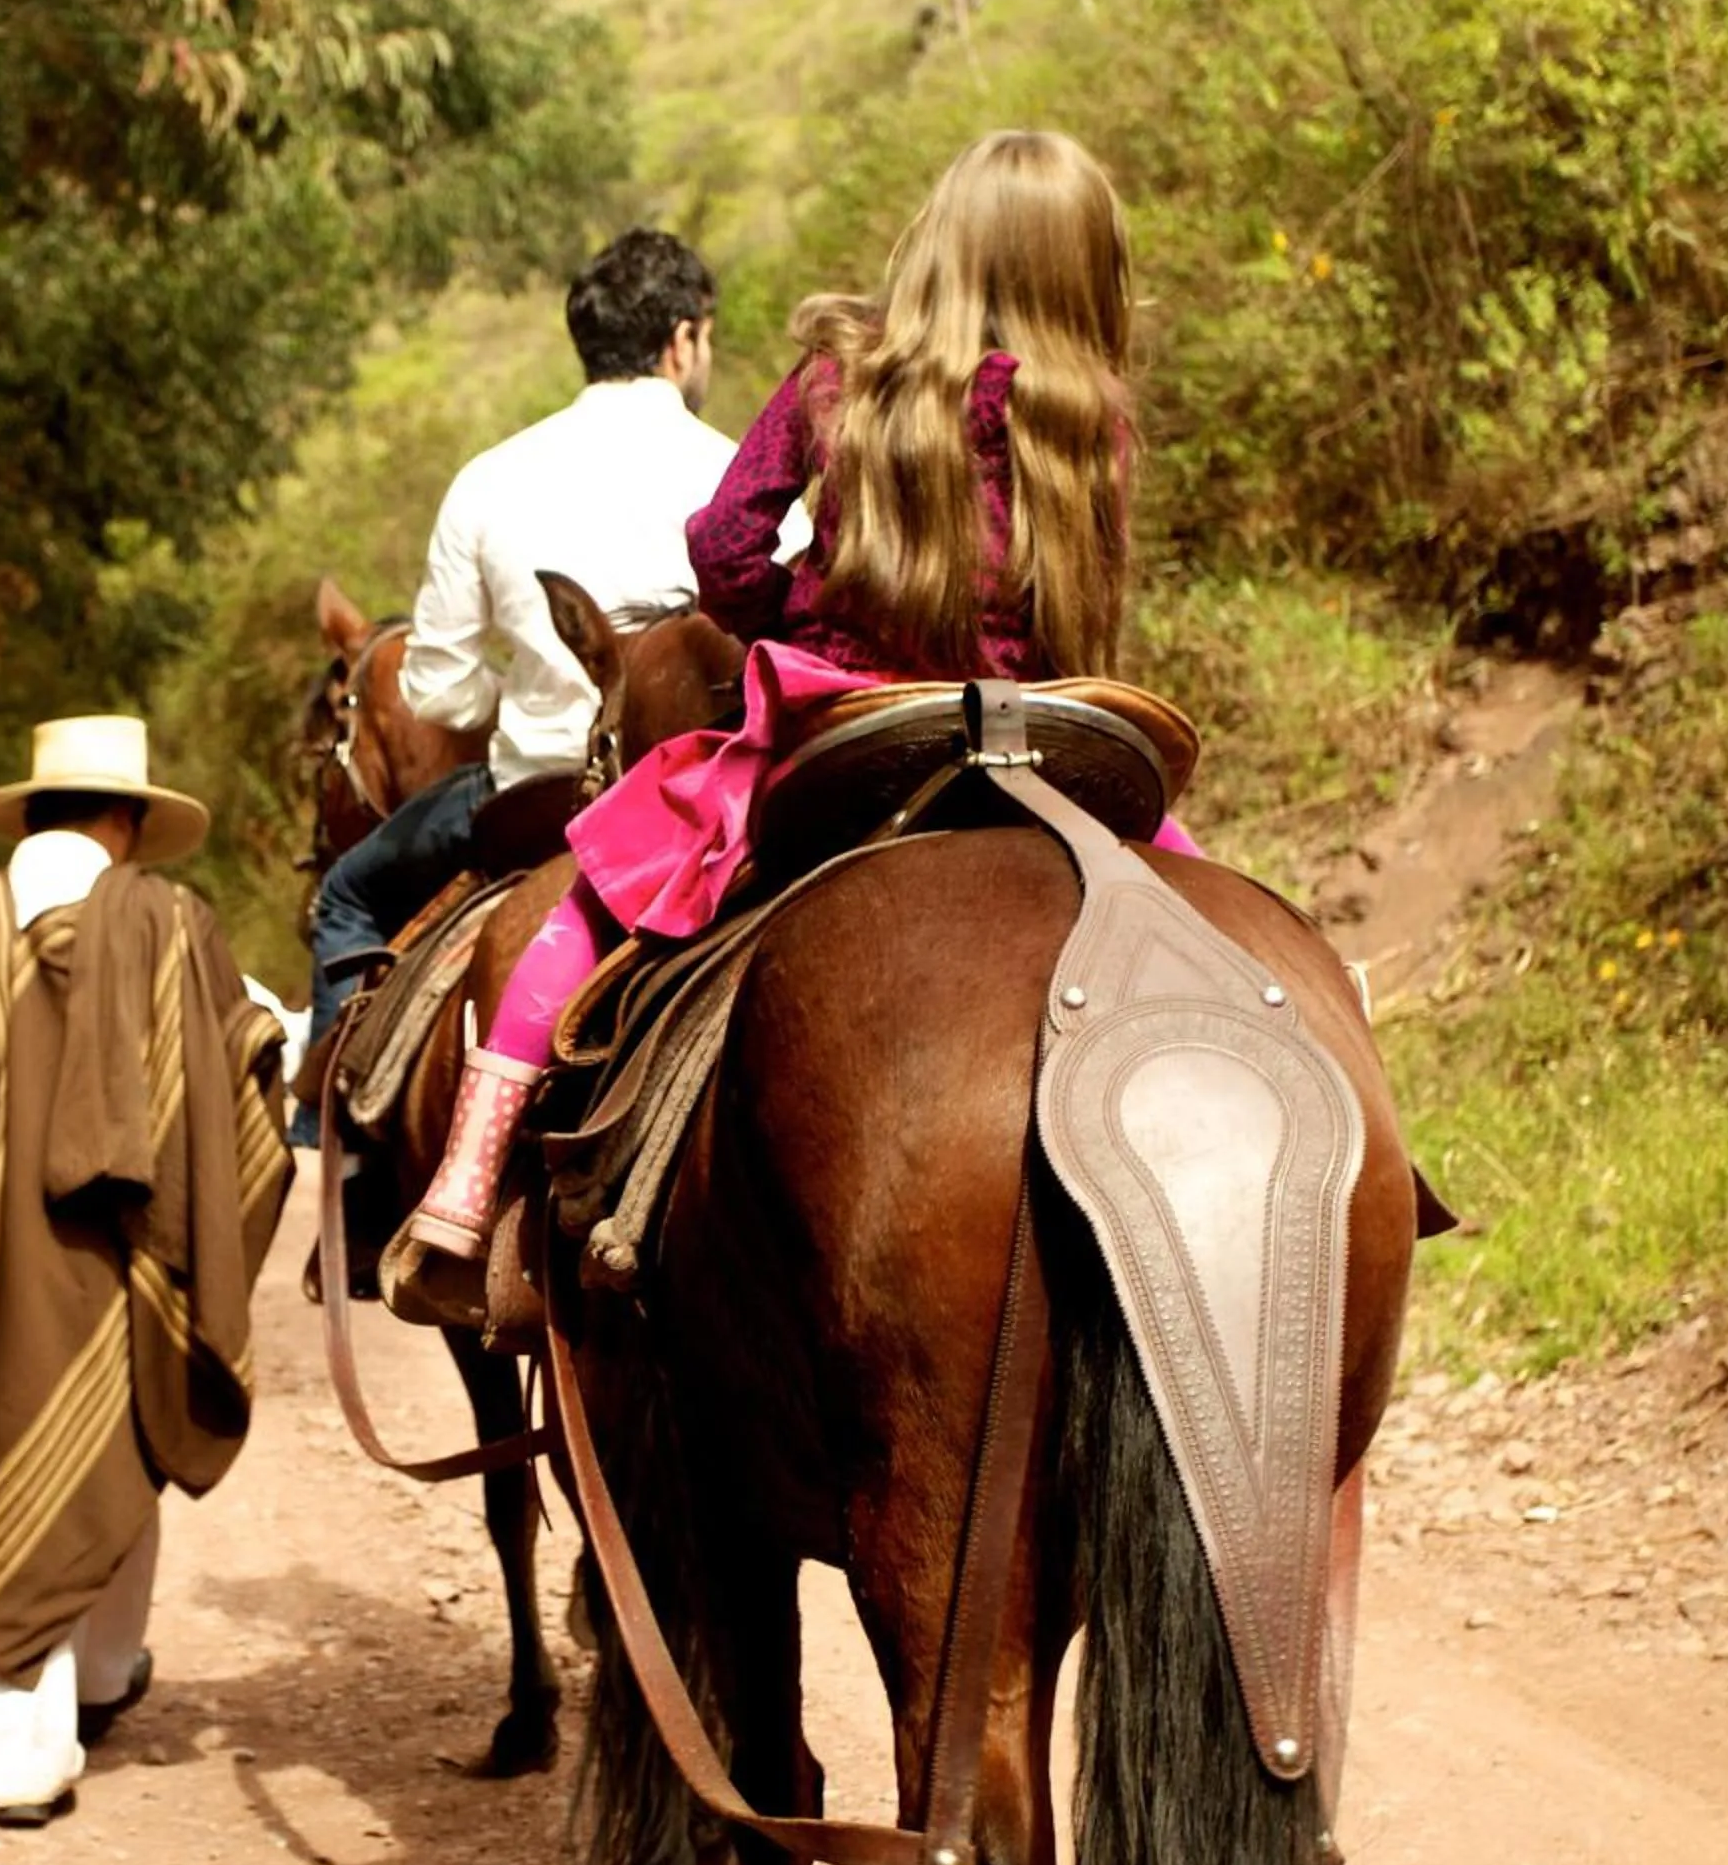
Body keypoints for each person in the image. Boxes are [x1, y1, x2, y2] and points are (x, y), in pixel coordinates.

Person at [401, 129, 1201, 1266]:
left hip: (845, 717)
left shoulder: (843, 373)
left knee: (596, 896)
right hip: (1028, 731)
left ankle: (464, 1188)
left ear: (941, 241)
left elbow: (724, 544)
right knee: (1217, 904)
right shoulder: (1089, 419)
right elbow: (1077, 611)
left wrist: (803, 614)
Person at [0, 715, 294, 1827]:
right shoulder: (171, 925)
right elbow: (229, 1083)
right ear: (127, 824)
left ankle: (21, 1751)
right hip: (127, 1260)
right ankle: (95, 1676)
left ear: (30, 818)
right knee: (123, 1431)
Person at [296, 228, 762, 1140]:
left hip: (537, 797)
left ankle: (328, 1152)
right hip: (704, 805)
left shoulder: (489, 479)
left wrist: (520, 693)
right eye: (705, 336)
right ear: (681, 339)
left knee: (346, 893)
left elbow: (438, 692)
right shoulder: (738, 472)